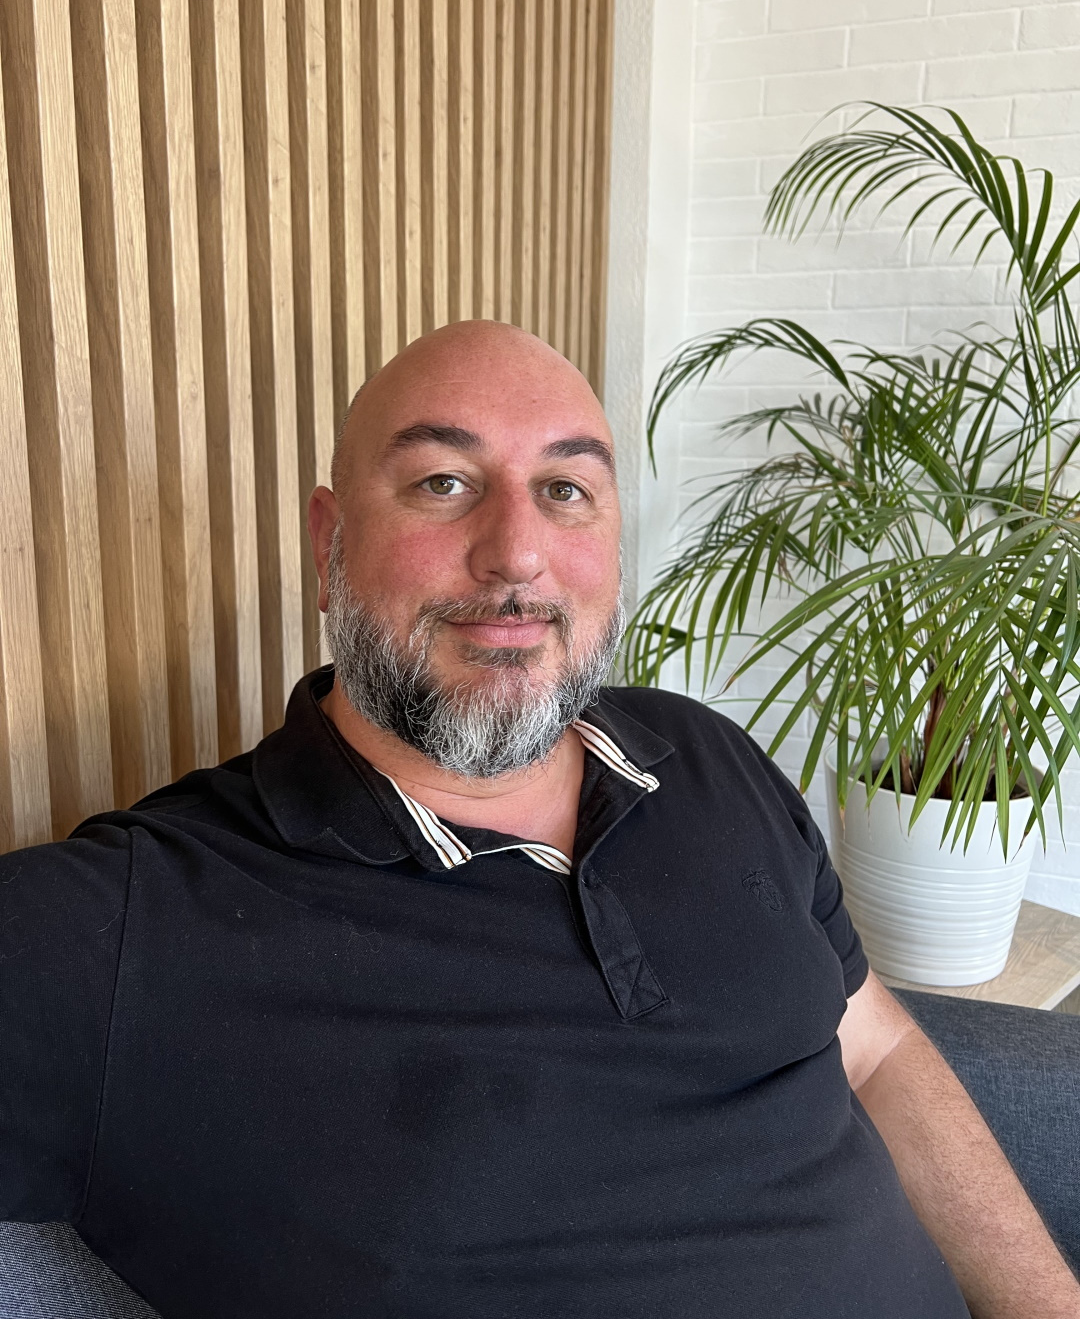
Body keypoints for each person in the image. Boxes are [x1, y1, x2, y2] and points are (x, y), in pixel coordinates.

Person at [1, 320, 1076, 1319]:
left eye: (565, 489)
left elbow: (872, 1046)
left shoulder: (707, 757)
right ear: (331, 543)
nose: (516, 554)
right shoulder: (123, 929)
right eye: (443, 482)